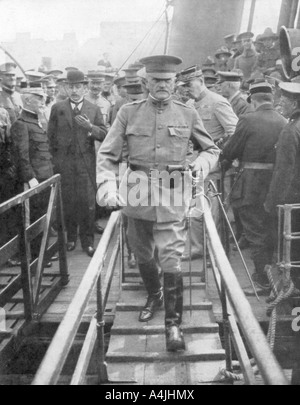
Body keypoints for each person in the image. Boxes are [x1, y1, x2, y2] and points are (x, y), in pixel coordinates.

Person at [96, 55, 219, 352]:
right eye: (156, 81)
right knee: (141, 251)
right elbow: (108, 154)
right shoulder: (128, 112)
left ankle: (173, 325)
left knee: (171, 256)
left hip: (173, 186)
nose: (163, 85)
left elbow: (211, 148)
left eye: (168, 81)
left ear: (176, 83)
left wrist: (202, 163)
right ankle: (155, 294)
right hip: (137, 185)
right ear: (146, 82)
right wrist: (108, 185)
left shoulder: (187, 114)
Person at [222, 81, 287, 292]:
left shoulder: (248, 119)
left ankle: (262, 280)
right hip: (275, 185)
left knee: (255, 233)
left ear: (253, 99)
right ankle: (276, 277)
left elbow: (231, 150)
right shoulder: (283, 121)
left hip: (250, 185)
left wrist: (223, 159)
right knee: (271, 230)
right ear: (272, 99)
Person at [179, 66, 238, 260]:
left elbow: (235, 131)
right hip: (193, 164)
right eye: (184, 85)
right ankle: (197, 248)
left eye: (189, 84)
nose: (187, 89)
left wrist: (220, 152)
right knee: (194, 207)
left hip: (213, 167)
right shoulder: (188, 104)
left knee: (214, 212)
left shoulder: (217, 102)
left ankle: (216, 253)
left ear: (201, 81)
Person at [48, 70, 107, 257]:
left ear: (84, 87)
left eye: (78, 87)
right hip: (64, 164)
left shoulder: (93, 109)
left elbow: (105, 134)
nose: (74, 90)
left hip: (85, 164)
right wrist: (55, 163)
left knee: (87, 203)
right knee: (68, 202)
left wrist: (90, 128)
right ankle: (71, 239)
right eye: (71, 86)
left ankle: (88, 242)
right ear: (66, 87)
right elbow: (50, 137)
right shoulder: (58, 108)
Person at [264, 82, 300, 384]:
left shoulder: (290, 131)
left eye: (285, 100)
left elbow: (284, 173)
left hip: (295, 208)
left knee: (292, 260)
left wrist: (272, 203)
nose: (280, 103)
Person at [10, 86, 54, 266]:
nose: (43, 101)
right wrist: (30, 178)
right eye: (39, 98)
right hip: (34, 180)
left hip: (45, 176)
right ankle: (35, 258)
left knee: (43, 216)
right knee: (32, 218)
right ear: (27, 100)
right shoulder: (21, 124)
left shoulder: (37, 121)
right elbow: (21, 155)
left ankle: (41, 254)